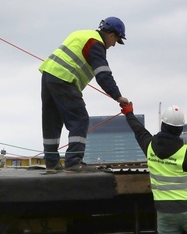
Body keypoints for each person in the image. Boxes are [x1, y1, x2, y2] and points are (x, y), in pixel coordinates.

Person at [39, 17, 130, 173]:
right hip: (64, 78)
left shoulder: (82, 34)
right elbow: (103, 74)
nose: (114, 45)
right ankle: (73, 162)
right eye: (116, 40)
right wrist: (118, 96)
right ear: (111, 35)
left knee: (51, 120)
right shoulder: (96, 44)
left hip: (49, 76)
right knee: (79, 119)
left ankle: (52, 163)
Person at [121, 102, 187, 234]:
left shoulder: (150, 146)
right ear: (180, 130)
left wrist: (128, 113)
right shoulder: (186, 152)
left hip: (166, 213)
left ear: (162, 125)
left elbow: (139, 130)